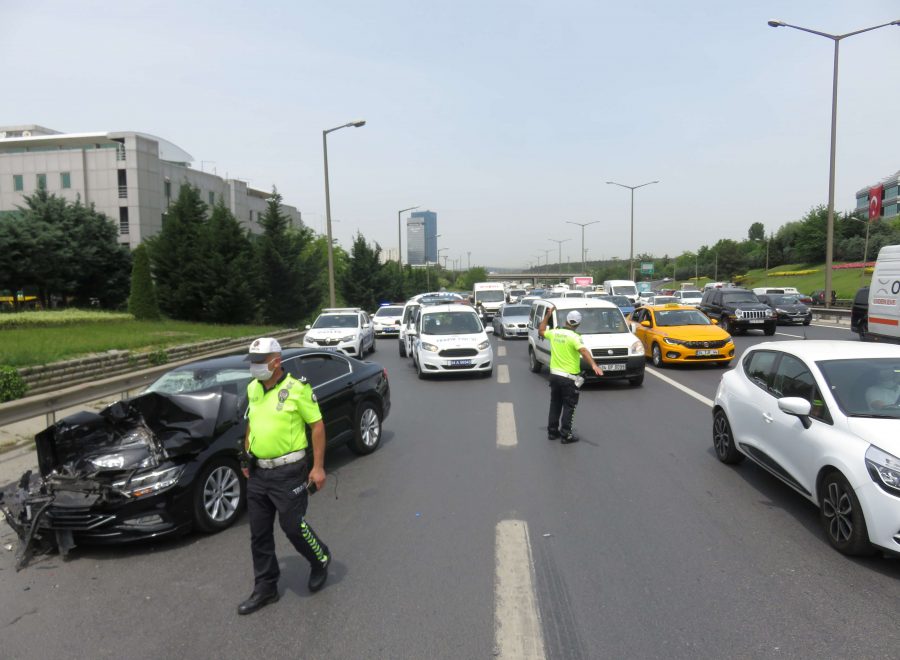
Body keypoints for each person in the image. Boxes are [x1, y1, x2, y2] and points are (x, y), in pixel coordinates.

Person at [237, 337, 331, 615]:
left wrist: (318, 467)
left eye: (259, 361)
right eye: (252, 361)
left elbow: (317, 426)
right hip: (258, 472)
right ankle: (266, 588)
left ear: (276, 362)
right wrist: (247, 454)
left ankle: (320, 558)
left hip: (289, 472)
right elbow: (252, 423)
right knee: (259, 533)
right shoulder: (253, 388)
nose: (254, 366)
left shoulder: (297, 388)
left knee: (292, 526)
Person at [538, 305, 603, 443]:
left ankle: (552, 432)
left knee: (555, 404)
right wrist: (594, 365)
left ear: (567, 320)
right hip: (569, 378)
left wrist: (548, 315)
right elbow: (583, 351)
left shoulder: (555, 333)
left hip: (554, 376)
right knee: (569, 406)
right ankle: (566, 434)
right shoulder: (575, 337)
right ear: (578, 324)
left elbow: (541, 330)